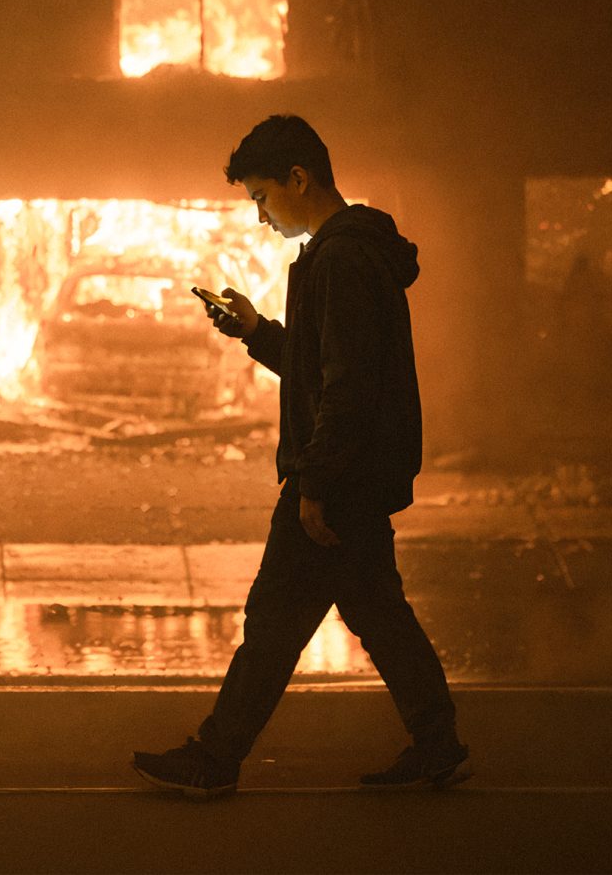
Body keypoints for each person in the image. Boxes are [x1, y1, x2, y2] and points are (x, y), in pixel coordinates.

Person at [132, 114, 469, 798]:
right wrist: (257, 332)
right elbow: (323, 368)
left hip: (339, 475)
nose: (260, 216)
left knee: (276, 619)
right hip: (358, 470)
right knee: (375, 609)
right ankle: (437, 743)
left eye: (260, 197)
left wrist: (313, 482)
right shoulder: (351, 253)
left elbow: (346, 384)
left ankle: (215, 757)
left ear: (297, 177)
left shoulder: (340, 259)